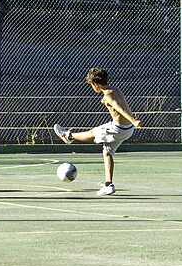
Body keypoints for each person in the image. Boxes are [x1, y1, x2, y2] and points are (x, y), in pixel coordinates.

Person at [53, 67, 142, 196]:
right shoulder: (114, 90)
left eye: (91, 85)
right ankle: (108, 185)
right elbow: (119, 103)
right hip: (127, 129)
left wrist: (133, 120)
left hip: (118, 128)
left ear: (95, 84)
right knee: (107, 152)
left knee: (93, 132)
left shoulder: (107, 95)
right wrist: (131, 122)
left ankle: (67, 135)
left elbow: (119, 108)